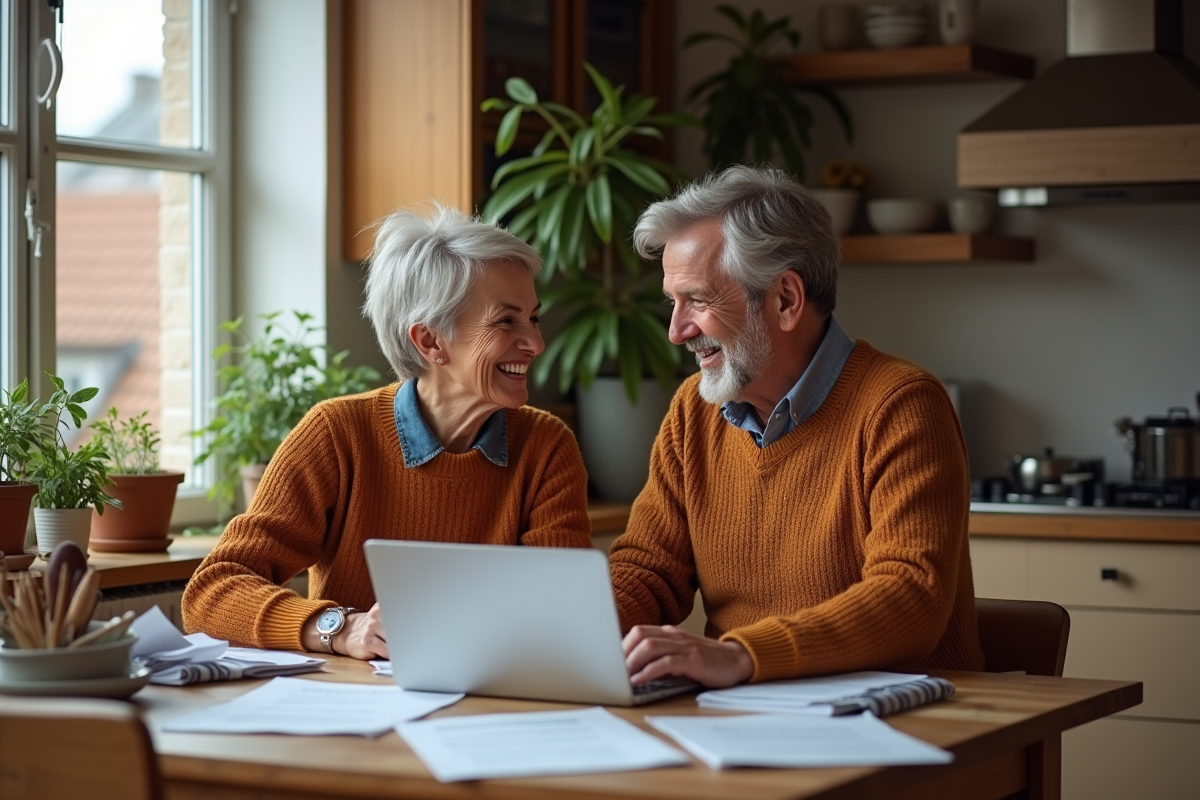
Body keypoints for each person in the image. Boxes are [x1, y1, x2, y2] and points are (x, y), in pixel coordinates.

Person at [611, 165, 984, 689]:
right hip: (744, 714)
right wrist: (571, 634)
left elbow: (909, 595)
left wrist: (741, 656)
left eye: (697, 299)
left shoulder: (900, 406)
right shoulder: (692, 413)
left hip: (904, 723)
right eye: (673, 302)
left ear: (785, 299)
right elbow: (648, 571)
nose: (677, 331)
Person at [183, 206, 592, 660]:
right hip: (354, 709)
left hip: (493, 706)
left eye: (533, 319)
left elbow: (563, 617)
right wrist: (338, 628)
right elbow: (210, 594)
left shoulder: (546, 446)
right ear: (430, 341)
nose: (535, 343)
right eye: (506, 321)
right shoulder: (337, 434)